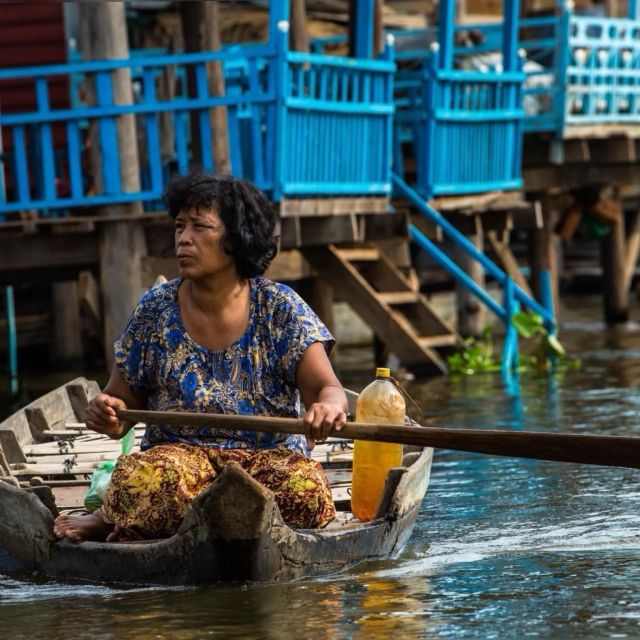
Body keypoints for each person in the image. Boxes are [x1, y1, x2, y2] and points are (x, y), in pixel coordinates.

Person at [53, 172, 348, 542]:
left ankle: (147, 523)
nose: (183, 238)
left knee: (307, 491)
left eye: (199, 227)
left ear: (236, 238)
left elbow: (328, 389)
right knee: (146, 483)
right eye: (179, 227)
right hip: (178, 459)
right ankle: (120, 518)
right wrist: (108, 412)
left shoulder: (280, 308)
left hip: (266, 458)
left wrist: (328, 408)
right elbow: (121, 406)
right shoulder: (154, 310)